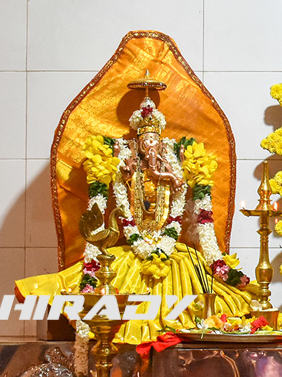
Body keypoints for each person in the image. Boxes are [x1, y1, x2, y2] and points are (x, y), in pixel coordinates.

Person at [16, 92, 254, 345]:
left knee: (195, 283)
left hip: (171, 248)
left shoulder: (174, 167)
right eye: (145, 141)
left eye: (154, 141)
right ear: (138, 144)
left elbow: (185, 205)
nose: (150, 145)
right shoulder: (125, 167)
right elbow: (115, 205)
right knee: (104, 280)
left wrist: (171, 180)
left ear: (161, 144)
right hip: (131, 248)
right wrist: (128, 182)